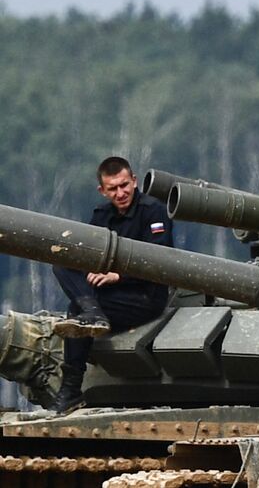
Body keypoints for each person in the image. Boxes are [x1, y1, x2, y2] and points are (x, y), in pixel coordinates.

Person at [51, 156, 174, 413]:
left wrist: (118, 276)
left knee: (75, 311)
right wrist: (92, 270)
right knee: (62, 262)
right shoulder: (102, 215)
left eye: (124, 185)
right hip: (109, 295)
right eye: (113, 188)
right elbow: (86, 253)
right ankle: (92, 311)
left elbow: (159, 262)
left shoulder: (153, 211)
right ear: (102, 190)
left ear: (134, 181)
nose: (120, 193)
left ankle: (71, 388)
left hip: (144, 296)